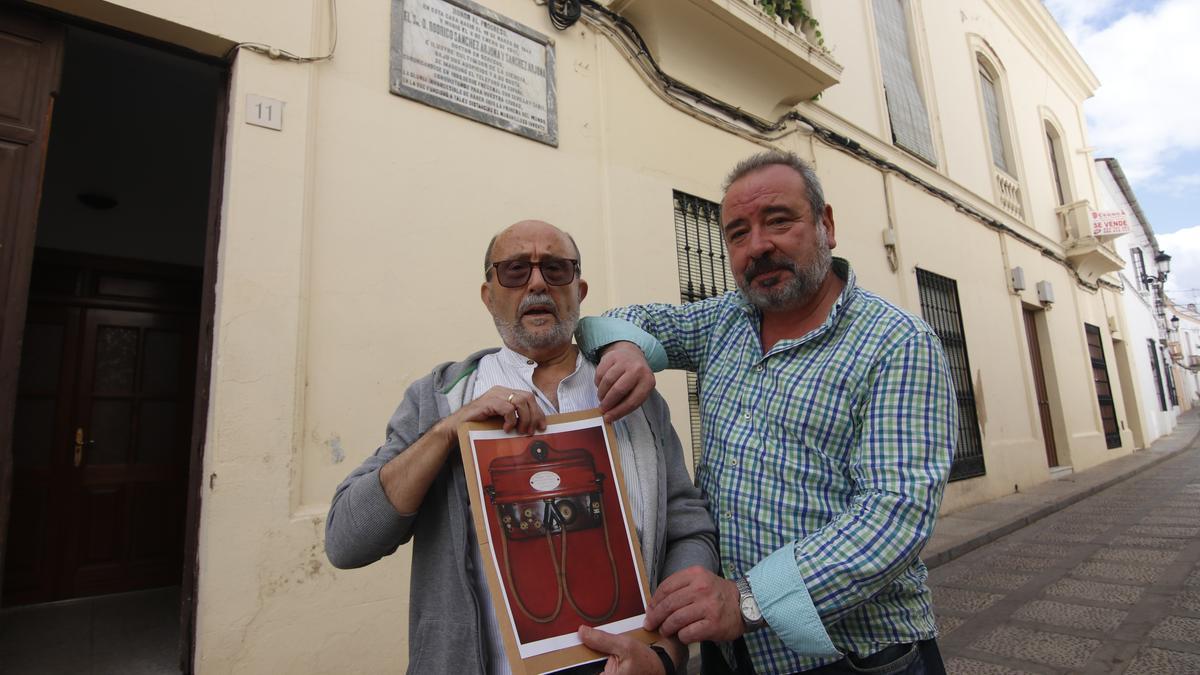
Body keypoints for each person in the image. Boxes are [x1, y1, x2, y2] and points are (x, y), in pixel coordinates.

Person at [576, 151, 957, 674]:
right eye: (738, 233)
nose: (758, 246)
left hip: (858, 658)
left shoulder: (895, 341)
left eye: (779, 220)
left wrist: (748, 601)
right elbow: (622, 318)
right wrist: (625, 347)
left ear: (826, 225)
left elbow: (894, 515)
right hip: (733, 657)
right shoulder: (724, 321)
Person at [324, 220, 718, 675]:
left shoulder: (633, 396)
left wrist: (663, 654)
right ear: (488, 294)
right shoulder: (440, 398)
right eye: (514, 270)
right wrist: (447, 433)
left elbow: (689, 532)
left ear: (580, 289)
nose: (536, 283)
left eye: (555, 269)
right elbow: (345, 541)